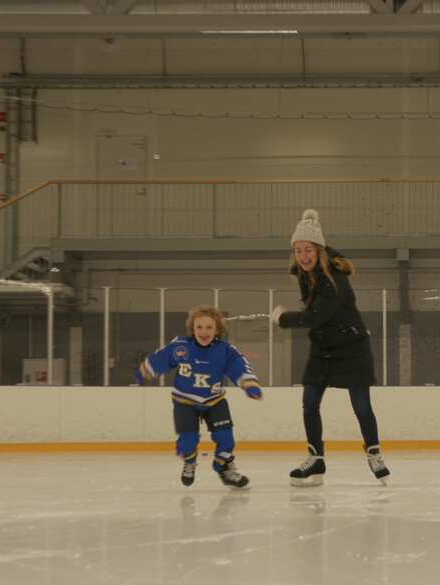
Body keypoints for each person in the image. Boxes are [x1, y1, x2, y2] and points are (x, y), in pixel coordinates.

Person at [270, 209, 389, 487]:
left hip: (352, 347)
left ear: (319, 250)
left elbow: (314, 317)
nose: (303, 256)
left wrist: (282, 318)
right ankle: (316, 459)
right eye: (298, 250)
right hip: (323, 348)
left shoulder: (335, 280)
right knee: (310, 402)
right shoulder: (304, 274)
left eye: (308, 249)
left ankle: (374, 453)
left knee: (361, 405)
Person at [136, 305, 262, 489]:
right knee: (188, 442)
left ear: (217, 330)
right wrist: (147, 369)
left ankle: (223, 467)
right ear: (192, 329)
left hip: (214, 401)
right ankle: (189, 461)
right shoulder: (181, 347)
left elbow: (239, 366)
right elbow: (162, 358)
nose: (204, 332)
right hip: (184, 402)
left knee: (226, 438)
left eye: (209, 327)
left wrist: (248, 383)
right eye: (199, 327)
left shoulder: (225, 350)